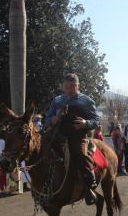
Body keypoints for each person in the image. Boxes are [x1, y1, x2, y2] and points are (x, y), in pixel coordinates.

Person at [45, 73, 100, 205]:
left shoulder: (86, 101)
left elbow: (96, 121)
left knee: (80, 156)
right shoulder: (57, 100)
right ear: (63, 87)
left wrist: (85, 123)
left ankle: (89, 188)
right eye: (67, 86)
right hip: (58, 136)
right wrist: (54, 119)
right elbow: (47, 118)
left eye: (73, 86)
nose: (70, 89)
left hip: (77, 136)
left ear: (78, 86)